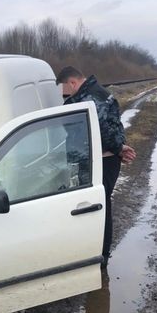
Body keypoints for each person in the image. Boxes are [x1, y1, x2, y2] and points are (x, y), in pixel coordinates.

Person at [55, 66, 136, 268]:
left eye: (66, 89)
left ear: (72, 82)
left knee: (99, 207)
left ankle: (101, 257)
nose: (66, 94)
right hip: (101, 159)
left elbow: (102, 129)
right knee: (97, 205)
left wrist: (118, 148)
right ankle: (96, 252)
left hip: (102, 161)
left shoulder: (92, 97)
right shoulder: (92, 93)